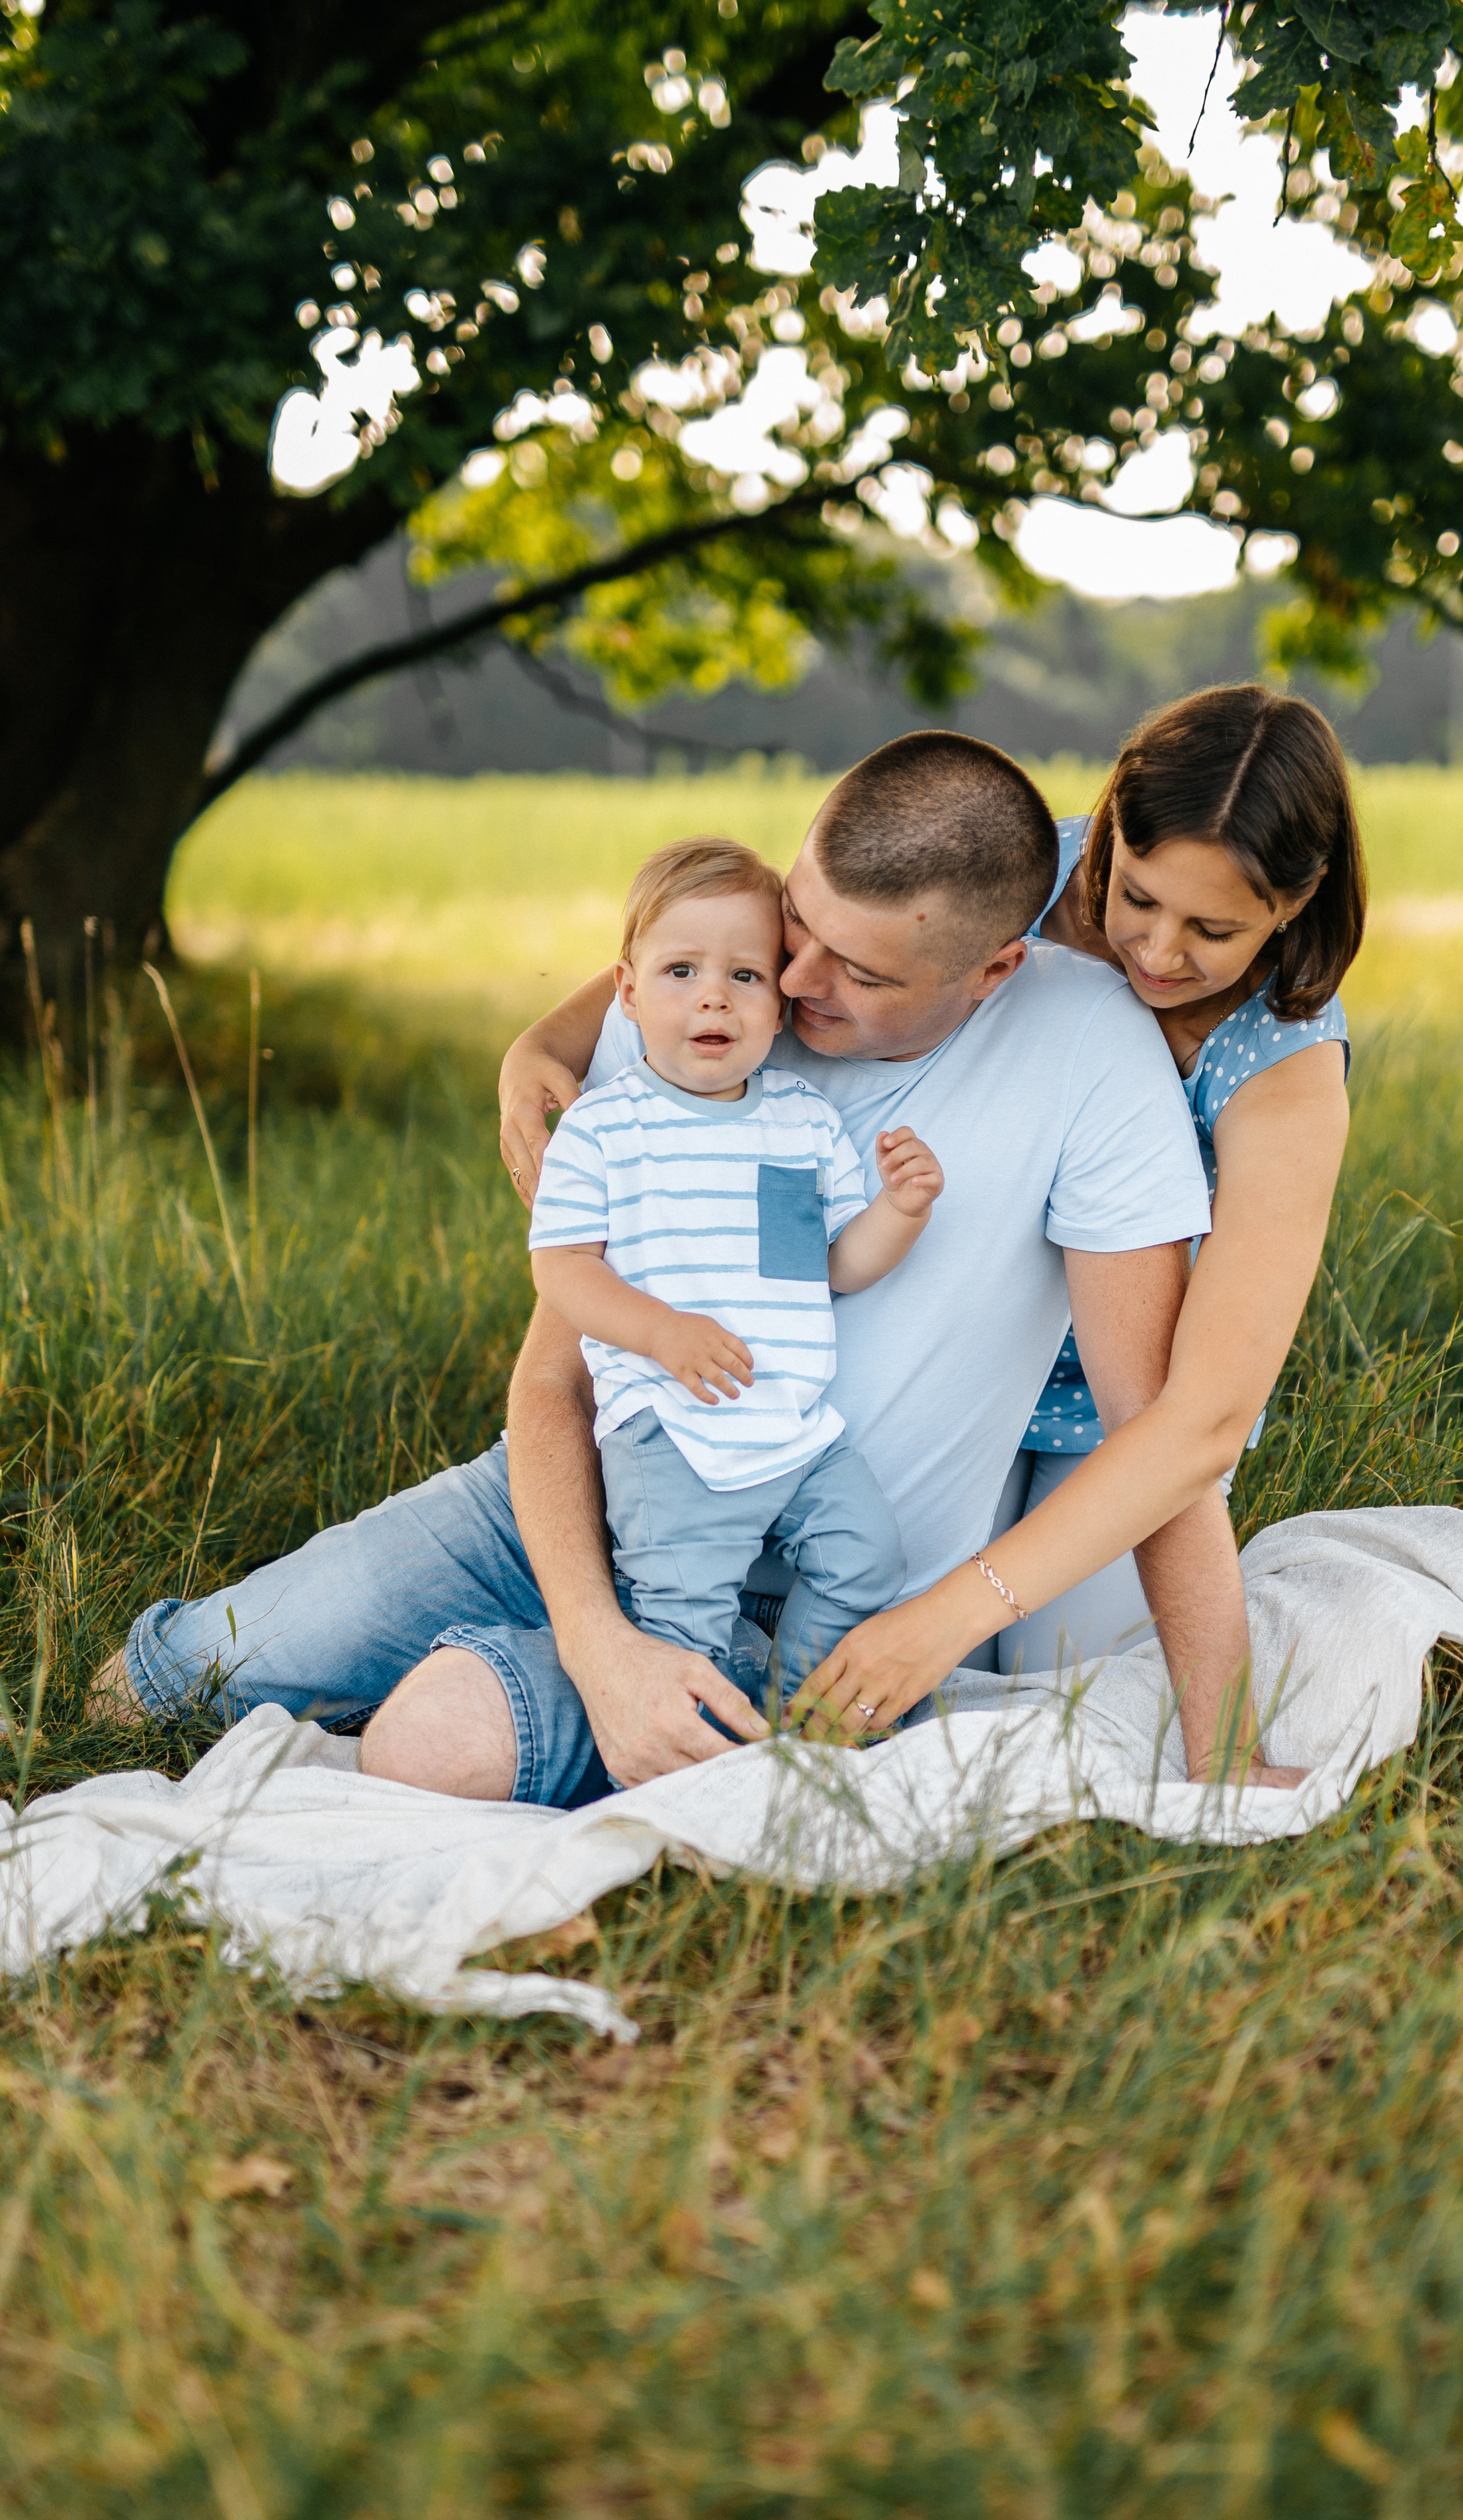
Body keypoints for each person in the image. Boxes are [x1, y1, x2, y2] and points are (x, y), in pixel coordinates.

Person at [99, 729, 1251, 1800]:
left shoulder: (1089, 1050)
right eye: (800, 926)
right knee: (163, 1683)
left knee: (439, 1739)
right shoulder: (710, 993)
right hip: (568, 1505)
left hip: (801, 1604)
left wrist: (1227, 1751)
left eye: (860, 974)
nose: (791, 984)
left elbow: (1155, 1428)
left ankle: (511, 1695)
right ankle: (528, 1667)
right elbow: (555, 1379)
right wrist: (597, 1643)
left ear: (991, 972)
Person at [790, 684, 1364, 1740]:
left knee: (1066, 1684)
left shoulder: (1283, 1065)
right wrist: (547, 1047)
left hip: (1115, 1415)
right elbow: (777, 931)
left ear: (1295, 901)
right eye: (1137, 895)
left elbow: (1199, 1417)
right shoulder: (1021, 875)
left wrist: (950, 1616)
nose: (1157, 950)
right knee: (873, 1649)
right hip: (945, 1341)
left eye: (1214, 928)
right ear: (1106, 831)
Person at [528, 834, 943, 1708]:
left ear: (781, 1006)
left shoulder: (802, 1120)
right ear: (628, 992)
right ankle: (691, 1749)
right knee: (684, 1621)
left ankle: (795, 1718)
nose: (714, 994)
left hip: (797, 1426)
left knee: (867, 1561)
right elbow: (563, 1271)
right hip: (671, 1429)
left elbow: (834, 1266)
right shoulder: (603, 1129)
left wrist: (900, 1212)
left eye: (746, 975)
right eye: (681, 971)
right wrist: (661, 1333)